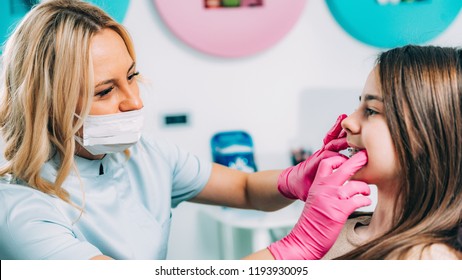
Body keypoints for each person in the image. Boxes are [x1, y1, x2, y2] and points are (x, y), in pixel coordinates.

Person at [0, 0, 369, 260]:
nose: (136, 102)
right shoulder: (19, 208)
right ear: (45, 103)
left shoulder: (142, 156)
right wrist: (298, 246)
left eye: (132, 78)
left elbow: (244, 188)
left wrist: (295, 179)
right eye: (106, 91)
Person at [317, 45, 462, 259]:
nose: (347, 122)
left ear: (429, 132)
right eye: (360, 106)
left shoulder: (428, 259)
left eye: (372, 111)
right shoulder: (337, 229)